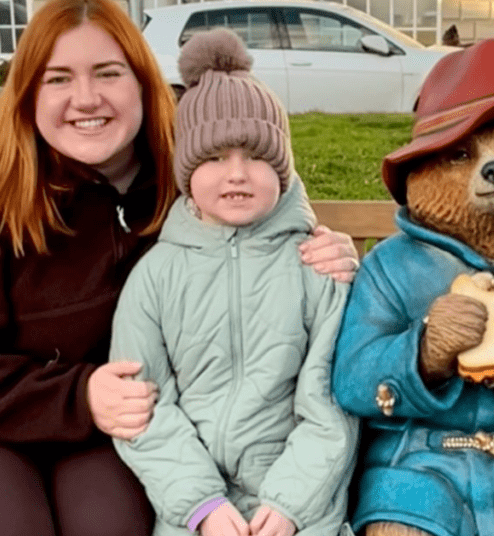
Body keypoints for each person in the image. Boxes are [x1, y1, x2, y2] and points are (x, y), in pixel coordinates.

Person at [0, 1, 359, 534]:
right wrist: (77, 394)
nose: (86, 99)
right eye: (58, 78)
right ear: (28, 95)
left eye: (108, 74)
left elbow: (260, 181)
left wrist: (320, 244)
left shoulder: (184, 169)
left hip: (109, 428)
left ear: (141, 81)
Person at [109, 29, 359, 536]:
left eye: (257, 156)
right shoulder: (155, 277)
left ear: (283, 171)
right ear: (187, 172)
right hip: (192, 510)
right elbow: (144, 406)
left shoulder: (316, 267)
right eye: (215, 158)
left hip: (302, 509)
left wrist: (291, 505)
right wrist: (198, 504)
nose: (238, 173)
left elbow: (332, 404)